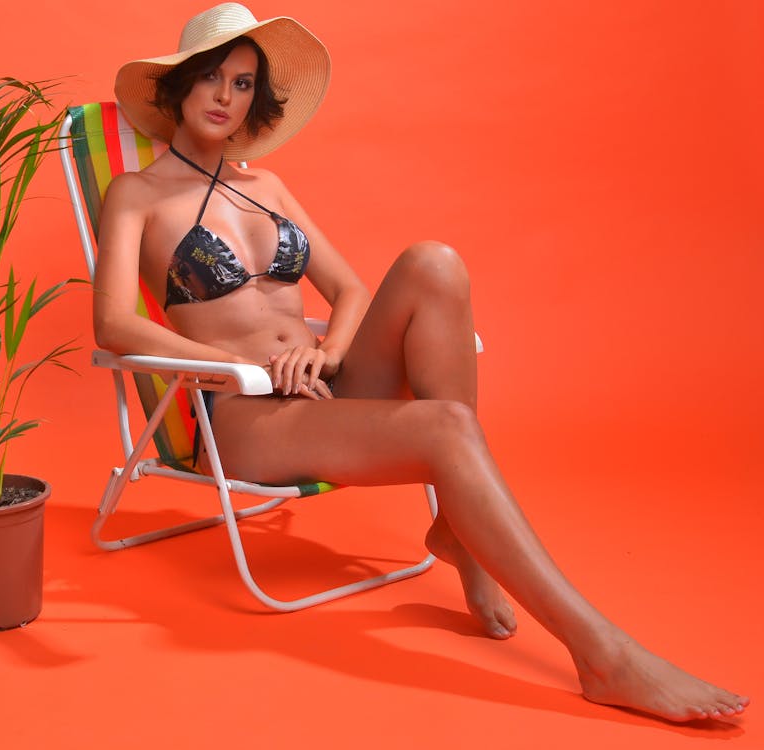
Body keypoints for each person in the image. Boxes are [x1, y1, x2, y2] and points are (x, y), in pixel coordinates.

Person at [93, 2, 748, 723]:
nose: (225, 97)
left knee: (433, 263)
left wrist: (325, 351)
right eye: (211, 78)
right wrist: (230, 362)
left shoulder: (267, 187)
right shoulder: (137, 195)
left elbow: (347, 290)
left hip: (322, 385)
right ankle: (602, 654)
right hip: (248, 412)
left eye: (244, 83)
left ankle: (459, 533)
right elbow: (116, 321)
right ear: (179, 87)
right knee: (446, 428)